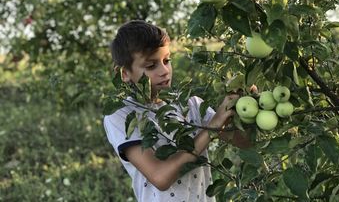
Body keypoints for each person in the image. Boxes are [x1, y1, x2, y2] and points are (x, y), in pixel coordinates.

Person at [103, 20, 250, 202]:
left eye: (167, 60)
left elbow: (244, 142)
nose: (164, 71)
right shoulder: (121, 115)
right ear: (124, 74)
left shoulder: (192, 105)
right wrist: (213, 125)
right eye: (151, 66)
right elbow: (161, 177)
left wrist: (246, 110)